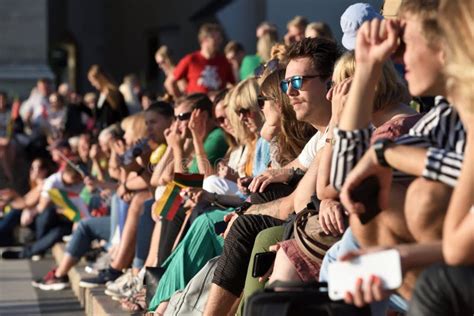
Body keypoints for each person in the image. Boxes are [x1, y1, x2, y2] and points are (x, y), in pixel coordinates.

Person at [204, 37, 341, 315]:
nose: (290, 93)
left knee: (243, 227)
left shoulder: (336, 131)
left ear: (330, 83)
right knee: (259, 195)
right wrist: (255, 198)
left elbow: (297, 202)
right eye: (285, 85)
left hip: (326, 232)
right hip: (309, 226)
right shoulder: (320, 135)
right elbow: (289, 167)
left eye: (298, 82)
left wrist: (247, 212)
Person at [165, 23, 235, 97]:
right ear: (204, 40)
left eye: (220, 38)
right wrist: (180, 101)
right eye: (216, 39)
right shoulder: (191, 59)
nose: (220, 41)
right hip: (196, 106)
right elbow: (169, 82)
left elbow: (233, 85)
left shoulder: (224, 61)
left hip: (216, 106)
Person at [88, 64, 129, 133]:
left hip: (112, 131)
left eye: (94, 81)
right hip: (101, 131)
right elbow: (97, 115)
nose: (93, 84)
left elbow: (121, 113)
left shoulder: (114, 93)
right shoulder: (99, 95)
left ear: (100, 79)